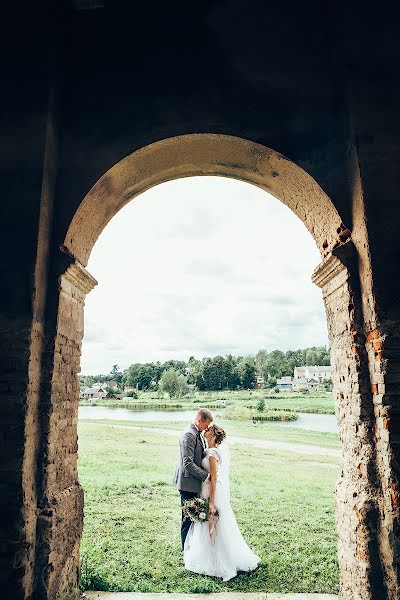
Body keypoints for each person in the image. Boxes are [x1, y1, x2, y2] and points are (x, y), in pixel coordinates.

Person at [183, 424, 260, 581]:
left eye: (209, 429)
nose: (206, 430)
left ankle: (218, 560)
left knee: (214, 522)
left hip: (214, 491)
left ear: (213, 434)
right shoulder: (209, 450)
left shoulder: (212, 453)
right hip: (206, 490)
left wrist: (211, 501)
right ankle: (207, 555)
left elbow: (214, 479)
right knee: (206, 523)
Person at [173, 408, 213, 549]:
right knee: (188, 518)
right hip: (187, 483)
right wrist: (207, 476)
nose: (207, 427)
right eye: (206, 424)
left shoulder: (198, 433)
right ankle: (186, 551)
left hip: (194, 483)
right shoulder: (189, 435)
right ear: (199, 420)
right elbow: (188, 463)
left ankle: (192, 548)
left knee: (195, 516)